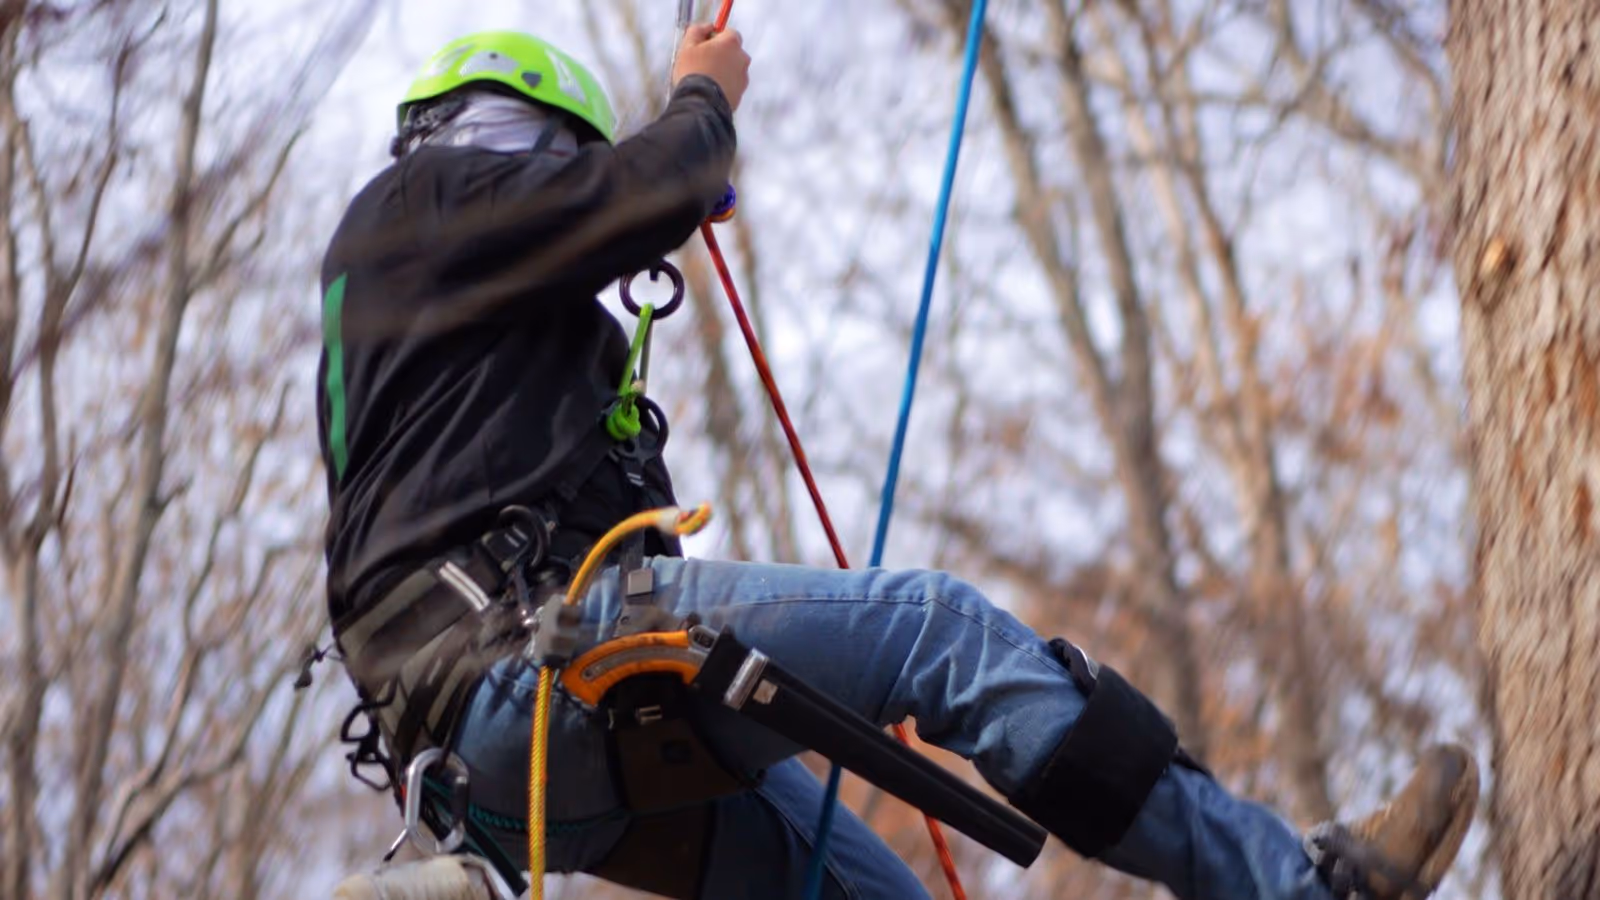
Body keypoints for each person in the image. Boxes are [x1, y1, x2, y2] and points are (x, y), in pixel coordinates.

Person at [319, 25, 1477, 900]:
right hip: (529, 668)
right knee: (936, 629)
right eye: (543, 163)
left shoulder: (437, 350)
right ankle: (1293, 886)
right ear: (492, 133)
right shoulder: (417, 200)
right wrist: (699, 103)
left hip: (512, 765)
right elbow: (633, 192)